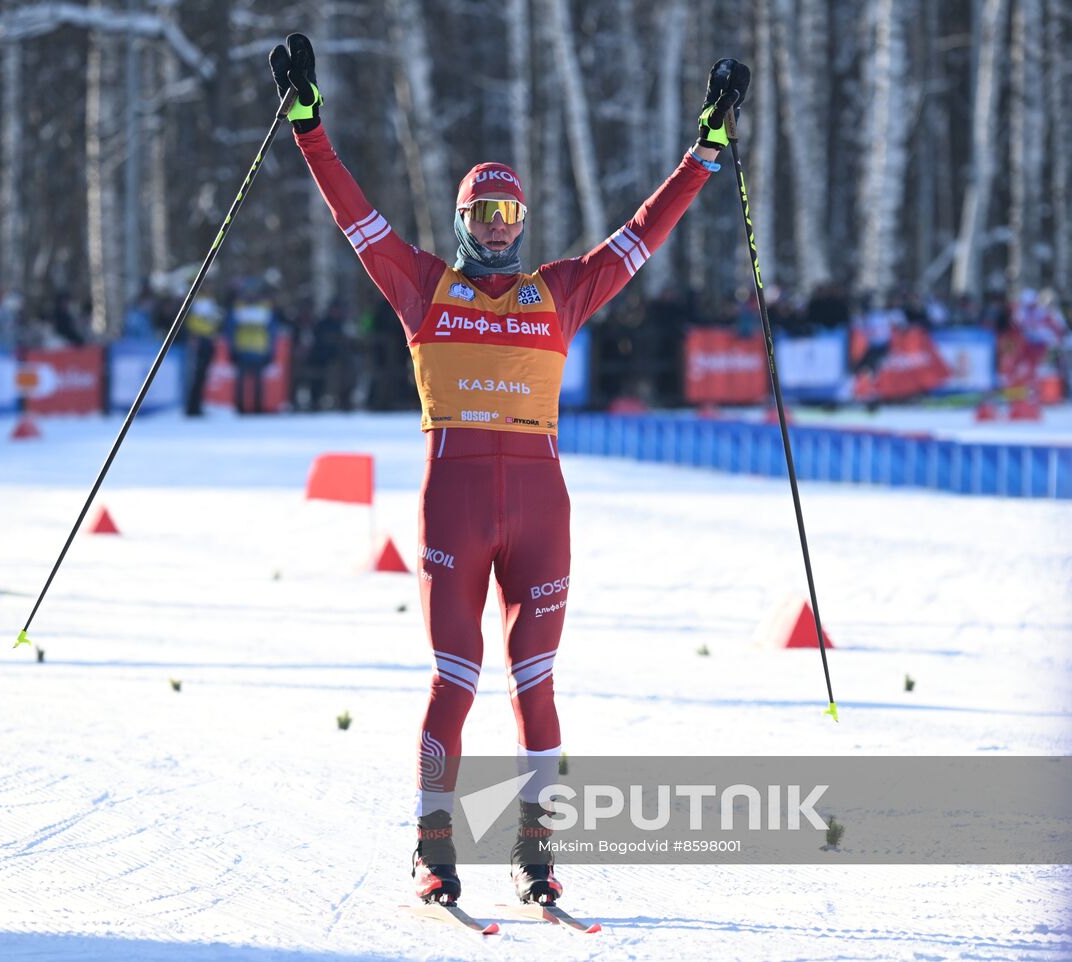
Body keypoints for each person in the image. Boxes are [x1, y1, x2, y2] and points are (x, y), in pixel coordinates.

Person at [270, 34, 748, 907]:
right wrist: (309, 130)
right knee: (455, 678)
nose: (497, 229)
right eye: (483, 216)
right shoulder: (421, 288)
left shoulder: (559, 292)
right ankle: (433, 845)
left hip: (540, 511)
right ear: (462, 221)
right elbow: (354, 216)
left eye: (509, 217)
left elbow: (642, 235)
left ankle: (537, 851)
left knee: (537, 682)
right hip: (453, 506)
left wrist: (704, 152)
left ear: (523, 223)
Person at [230, 279, 279, 414]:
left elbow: (272, 332)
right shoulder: (239, 308)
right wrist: (232, 349)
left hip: (258, 350)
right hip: (243, 350)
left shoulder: (265, 308)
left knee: (258, 383)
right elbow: (231, 329)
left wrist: (271, 351)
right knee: (241, 382)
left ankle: (257, 407)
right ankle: (239, 407)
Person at [184, 292, 222, 417]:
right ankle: (192, 407)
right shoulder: (198, 303)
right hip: (200, 340)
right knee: (196, 376)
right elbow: (192, 323)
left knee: (201, 376)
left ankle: (196, 406)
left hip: (207, 340)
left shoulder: (209, 302)